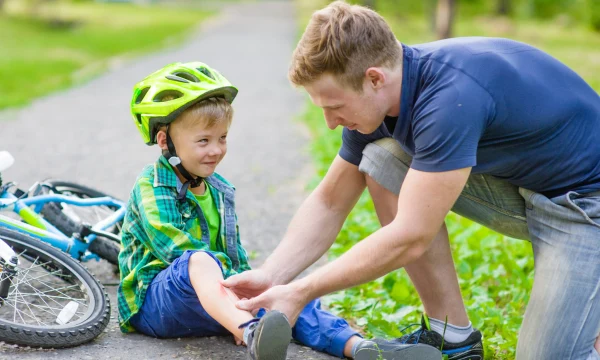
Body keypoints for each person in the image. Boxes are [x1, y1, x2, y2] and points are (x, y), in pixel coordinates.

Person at [221, 2, 600, 360]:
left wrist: (302, 291)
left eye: (335, 107)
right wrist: (272, 277)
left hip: (585, 205)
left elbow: (411, 235)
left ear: (373, 78)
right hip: (528, 188)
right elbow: (330, 201)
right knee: (383, 157)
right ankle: (452, 335)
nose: (331, 123)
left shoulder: (448, 98)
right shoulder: (383, 96)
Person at [117, 61, 441, 360]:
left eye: (223, 138)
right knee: (199, 260)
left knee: (283, 294)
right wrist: (241, 305)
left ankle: (359, 347)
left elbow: (233, 253)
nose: (216, 150)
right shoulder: (152, 186)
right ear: (164, 140)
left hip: (215, 303)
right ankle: (250, 331)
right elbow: (178, 251)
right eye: (203, 141)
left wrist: (256, 294)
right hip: (157, 304)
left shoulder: (218, 188)